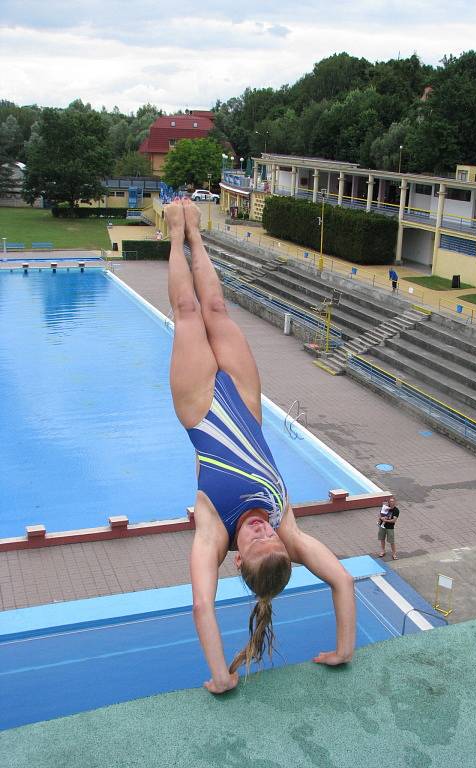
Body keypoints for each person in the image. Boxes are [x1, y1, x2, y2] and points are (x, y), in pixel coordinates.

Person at [165, 198, 356, 694]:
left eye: (254, 544)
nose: (260, 533)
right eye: (271, 539)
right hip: (247, 404)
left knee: (188, 314)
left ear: (237, 560)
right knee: (216, 309)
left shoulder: (213, 535)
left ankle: (172, 235)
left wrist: (222, 676)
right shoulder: (283, 522)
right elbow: (342, 581)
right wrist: (343, 649)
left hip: (200, 409)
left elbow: (202, 605)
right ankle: (198, 236)